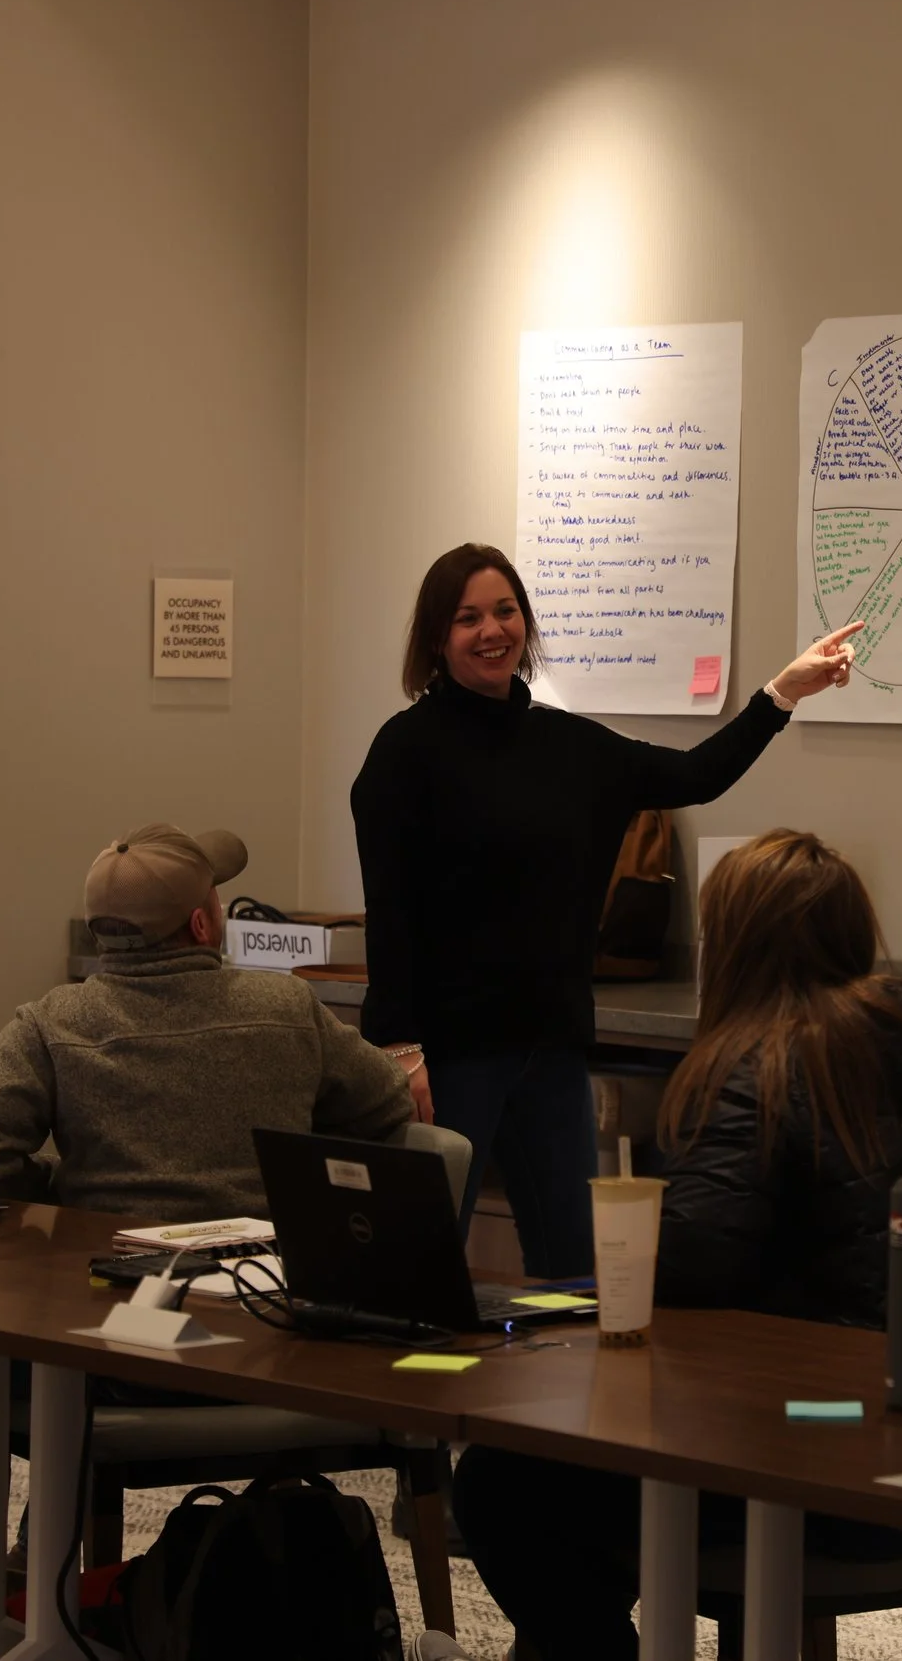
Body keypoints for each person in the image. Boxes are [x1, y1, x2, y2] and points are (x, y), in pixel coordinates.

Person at [452, 830, 902, 1659]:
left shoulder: (760, 1061)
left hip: (808, 1462)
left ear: (734, 944)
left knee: (507, 1482)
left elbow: (685, 1265)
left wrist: (570, 1291)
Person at [0, 824, 419, 1659]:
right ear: (203, 926)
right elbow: (386, 1109)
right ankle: (17, 1574)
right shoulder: (283, 1009)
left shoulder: (61, 1021)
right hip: (271, 1344)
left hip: (115, 1349)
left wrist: (60, 1191)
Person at [350, 542, 860, 1276]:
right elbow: (388, 912)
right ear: (437, 637)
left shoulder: (565, 744)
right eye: (468, 619)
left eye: (505, 610)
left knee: (574, 1275)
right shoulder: (404, 753)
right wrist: (399, 1050)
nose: (492, 630)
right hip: (448, 1055)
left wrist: (781, 694)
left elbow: (694, 775)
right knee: (417, 1269)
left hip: (550, 1048)